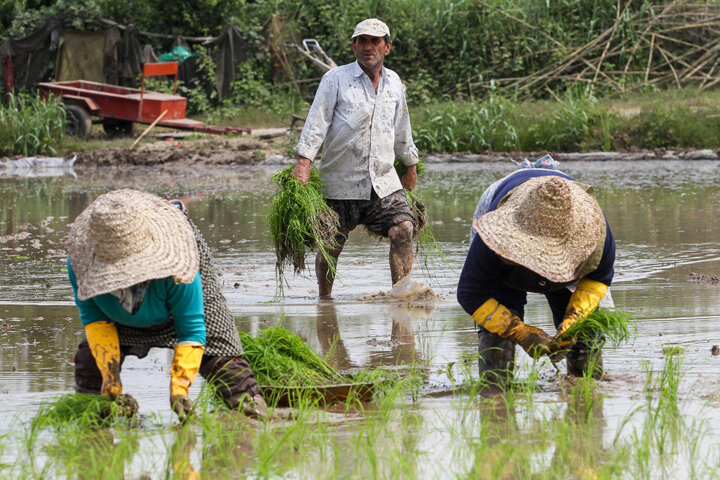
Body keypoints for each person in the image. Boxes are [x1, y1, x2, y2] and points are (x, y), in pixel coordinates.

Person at [66, 189, 267, 421]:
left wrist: (179, 388)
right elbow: (95, 321)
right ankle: (96, 427)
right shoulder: (82, 262)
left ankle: (253, 420)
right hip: (118, 319)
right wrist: (110, 381)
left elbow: (191, 327)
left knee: (229, 371)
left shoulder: (178, 259)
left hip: (178, 297)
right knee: (90, 367)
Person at [456, 156, 615, 383]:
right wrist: (518, 331)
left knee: (585, 342)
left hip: (572, 264)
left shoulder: (595, 232)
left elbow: (599, 278)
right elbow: (470, 293)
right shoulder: (494, 235)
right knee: (496, 346)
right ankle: (496, 399)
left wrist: (573, 319)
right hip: (508, 259)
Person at [291, 18, 419, 297]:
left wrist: (410, 164)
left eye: (375, 41)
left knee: (404, 228)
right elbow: (317, 122)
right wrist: (303, 161)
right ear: (354, 46)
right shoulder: (335, 79)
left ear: (388, 47)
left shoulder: (394, 82)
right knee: (332, 243)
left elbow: (401, 127)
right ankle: (325, 299)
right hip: (340, 182)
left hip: (383, 181)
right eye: (362, 41)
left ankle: (401, 296)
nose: (368, 47)